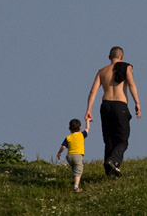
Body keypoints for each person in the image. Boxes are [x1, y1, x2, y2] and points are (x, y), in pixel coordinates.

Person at [85, 46, 141, 177]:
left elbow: (93, 91)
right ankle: (113, 161)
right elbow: (132, 84)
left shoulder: (102, 71)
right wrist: (137, 103)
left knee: (109, 140)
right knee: (122, 140)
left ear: (109, 57)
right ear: (121, 57)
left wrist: (89, 109)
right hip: (119, 105)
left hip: (105, 106)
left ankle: (109, 171)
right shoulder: (126, 67)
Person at [56, 118, 91, 192]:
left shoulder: (68, 137)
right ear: (80, 127)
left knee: (74, 168)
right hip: (77, 155)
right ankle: (76, 187)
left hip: (69, 156)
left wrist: (59, 153)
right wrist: (88, 120)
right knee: (79, 170)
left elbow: (63, 146)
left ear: (69, 128)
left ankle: (74, 181)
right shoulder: (81, 134)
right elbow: (87, 128)